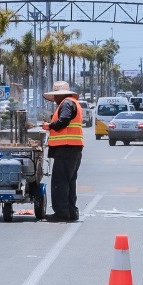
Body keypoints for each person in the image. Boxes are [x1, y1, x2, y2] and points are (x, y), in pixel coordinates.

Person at [43, 80, 84, 222]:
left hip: (66, 149)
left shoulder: (66, 103)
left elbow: (64, 121)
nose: (54, 99)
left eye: (55, 96)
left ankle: (61, 213)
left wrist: (49, 126)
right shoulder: (72, 103)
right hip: (74, 149)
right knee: (69, 182)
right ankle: (71, 212)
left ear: (60, 95)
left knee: (60, 182)